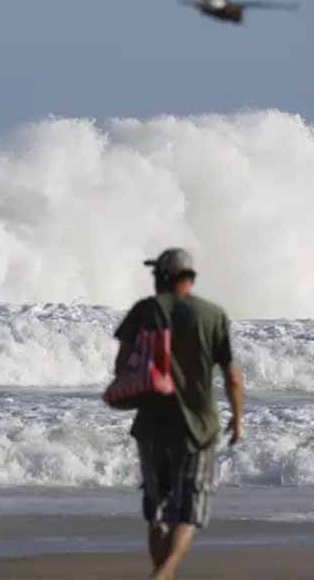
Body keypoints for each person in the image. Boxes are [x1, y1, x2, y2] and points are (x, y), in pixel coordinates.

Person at [113, 248, 244, 580]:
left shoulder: (145, 310)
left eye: (157, 274)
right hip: (198, 429)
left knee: (157, 510)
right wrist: (238, 417)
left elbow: (121, 366)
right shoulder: (213, 315)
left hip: (152, 426)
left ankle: (163, 573)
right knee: (188, 512)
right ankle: (165, 573)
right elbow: (232, 376)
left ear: (165, 276)